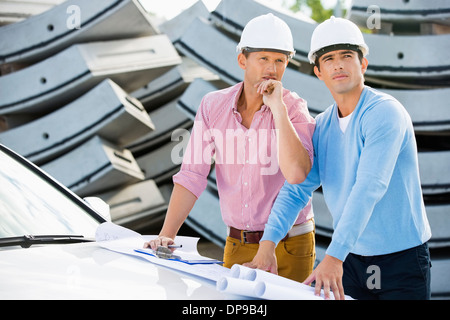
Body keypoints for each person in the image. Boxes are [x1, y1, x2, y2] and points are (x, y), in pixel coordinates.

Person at [250, 16, 432, 299]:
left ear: (363, 64)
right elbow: (296, 189)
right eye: (328, 59)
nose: (337, 64)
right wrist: (267, 243)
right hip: (350, 259)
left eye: (347, 56)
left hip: (400, 261)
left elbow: (369, 187)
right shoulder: (323, 126)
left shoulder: (385, 113)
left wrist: (333, 256)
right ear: (319, 72)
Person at [144, 13, 316, 282]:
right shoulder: (213, 106)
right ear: (242, 60)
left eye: (280, 60)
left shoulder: (295, 109)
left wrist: (278, 109)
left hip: (290, 244)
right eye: (263, 59)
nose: (272, 68)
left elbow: (297, 174)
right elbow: (192, 174)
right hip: (237, 243)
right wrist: (167, 234)